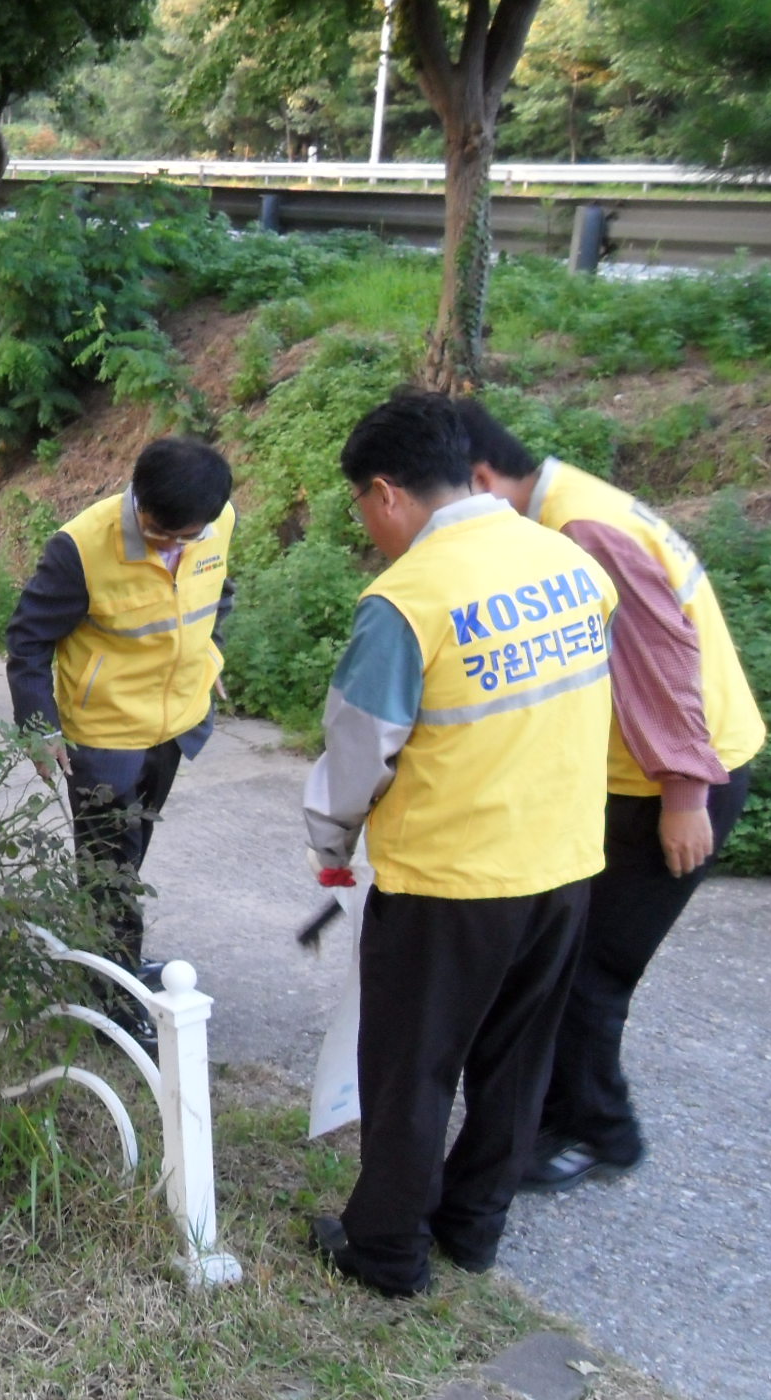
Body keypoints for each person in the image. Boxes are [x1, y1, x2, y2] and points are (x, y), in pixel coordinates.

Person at [304, 389, 618, 1298]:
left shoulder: (407, 601)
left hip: (449, 880)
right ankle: (474, 1230)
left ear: (387, 492)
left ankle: (388, 1250)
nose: (368, 527)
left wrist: (330, 845)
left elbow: (358, 752)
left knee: (412, 1069)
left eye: (363, 506)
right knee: (516, 1063)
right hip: (562, 867)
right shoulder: (567, 563)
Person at [455, 401, 765, 1193]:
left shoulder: (580, 529)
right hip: (634, 780)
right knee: (560, 956)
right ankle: (556, 1117)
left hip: (680, 781)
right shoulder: (566, 506)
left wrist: (684, 796)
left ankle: (600, 1132)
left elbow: (664, 658)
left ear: (483, 479)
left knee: (591, 971)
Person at [5, 438, 238, 1022]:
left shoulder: (217, 521)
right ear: (138, 500)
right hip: (105, 735)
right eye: (163, 533)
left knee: (129, 857)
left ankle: (114, 962)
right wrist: (40, 728)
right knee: (108, 867)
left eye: (188, 536)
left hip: (175, 725)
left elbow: (217, 595)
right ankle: (111, 1007)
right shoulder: (81, 548)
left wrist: (208, 657)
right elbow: (28, 639)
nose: (175, 547)